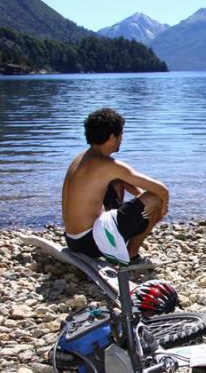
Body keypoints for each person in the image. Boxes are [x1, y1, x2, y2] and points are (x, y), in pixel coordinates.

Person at [62, 108, 169, 264]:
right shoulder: (109, 165)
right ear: (112, 136)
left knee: (118, 181)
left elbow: (129, 182)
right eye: (121, 134)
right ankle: (132, 256)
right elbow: (161, 189)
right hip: (91, 243)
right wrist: (160, 209)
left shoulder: (81, 158)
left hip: (73, 240)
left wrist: (140, 203)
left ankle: (120, 237)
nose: (122, 138)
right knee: (155, 199)